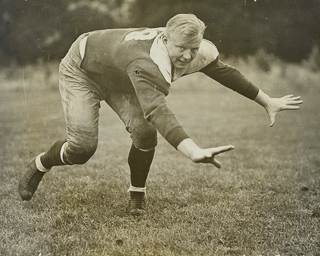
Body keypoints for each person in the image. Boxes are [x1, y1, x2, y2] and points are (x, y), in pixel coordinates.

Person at [18, 14, 303, 216]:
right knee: (82, 149)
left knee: (144, 134)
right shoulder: (145, 60)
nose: (188, 56)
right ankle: (41, 163)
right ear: (165, 39)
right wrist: (191, 150)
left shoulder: (195, 49)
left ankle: (136, 195)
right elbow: (156, 109)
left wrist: (267, 101)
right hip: (84, 70)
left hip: (123, 77)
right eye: (181, 48)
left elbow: (225, 72)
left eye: (194, 49)